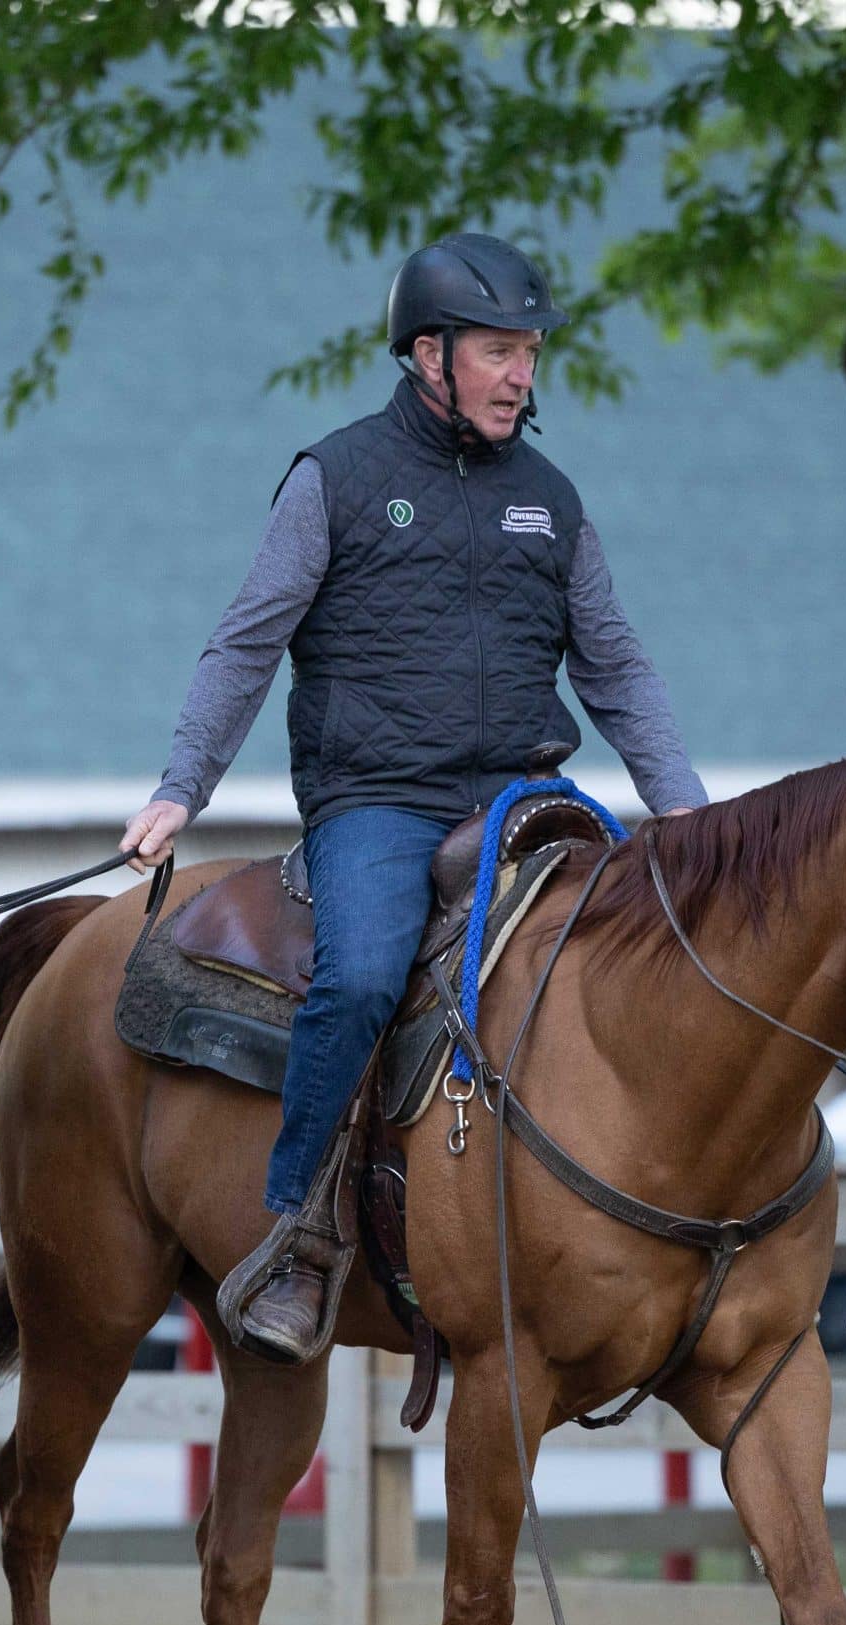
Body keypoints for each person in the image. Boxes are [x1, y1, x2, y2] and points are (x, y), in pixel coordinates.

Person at [119, 233, 705, 1365]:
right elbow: (246, 644)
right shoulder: (332, 479)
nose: (518, 374)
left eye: (528, 352)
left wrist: (677, 808)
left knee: (646, 946)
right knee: (362, 975)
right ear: (426, 355)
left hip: (524, 796)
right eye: (496, 351)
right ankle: (295, 1230)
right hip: (376, 799)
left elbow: (617, 667)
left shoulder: (551, 500)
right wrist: (178, 788)